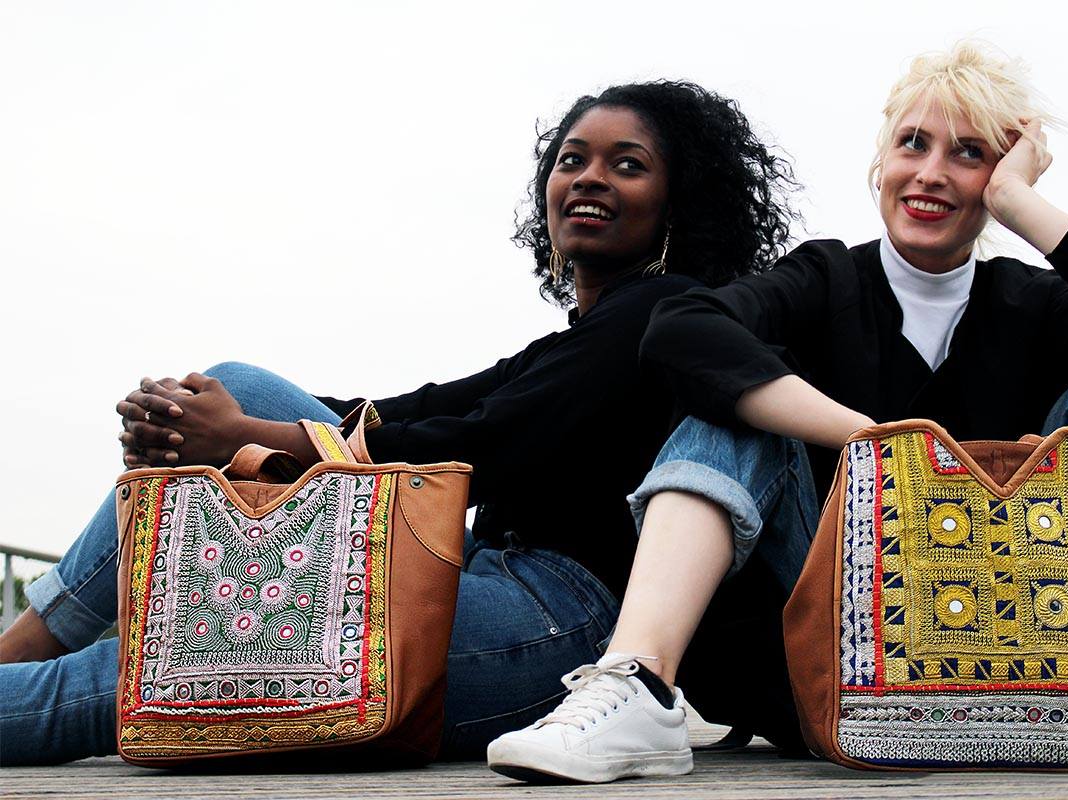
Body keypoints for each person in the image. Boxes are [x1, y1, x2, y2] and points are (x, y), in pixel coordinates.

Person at [0, 81, 798, 765]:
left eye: (627, 165)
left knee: (166, 666)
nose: (590, 177)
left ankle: (31, 666)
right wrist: (216, 421)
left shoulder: (664, 317)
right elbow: (422, 409)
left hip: (564, 626)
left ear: (678, 202)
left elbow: (482, 447)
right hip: (484, 571)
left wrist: (248, 440)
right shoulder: (574, 340)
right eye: (572, 160)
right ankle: (31, 638)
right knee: (239, 384)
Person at [488, 41, 1068, 783]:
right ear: (881, 160)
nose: (930, 173)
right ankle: (639, 684)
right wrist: (875, 442)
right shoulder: (825, 277)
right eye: (912, 143)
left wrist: (1021, 205)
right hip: (831, 648)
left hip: (1032, 640)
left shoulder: (1035, 304)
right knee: (736, 403)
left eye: (969, 154)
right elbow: (680, 332)